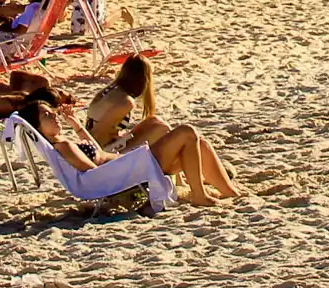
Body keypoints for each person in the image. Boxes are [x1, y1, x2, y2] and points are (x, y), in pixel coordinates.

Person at [79, 55, 241, 200]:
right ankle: (192, 188)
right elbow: (98, 137)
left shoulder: (112, 91)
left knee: (159, 124)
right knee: (176, 132)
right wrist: (125, 141)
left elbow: (100, 128)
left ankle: (225, 190)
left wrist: (126, 136)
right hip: (111, 159)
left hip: (109, 151)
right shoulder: (125, 102)